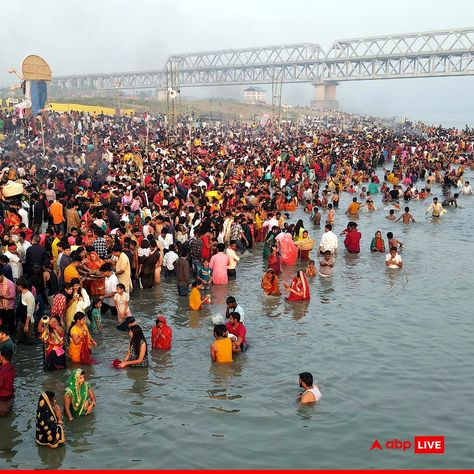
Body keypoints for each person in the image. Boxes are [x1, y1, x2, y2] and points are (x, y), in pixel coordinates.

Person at [15, 277, 36, 344]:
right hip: (22, 319)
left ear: (20, 286)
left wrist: (26, 325)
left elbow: (29, 312)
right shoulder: (22, 294)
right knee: (19, 339)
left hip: (28, 321)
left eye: (17, 286)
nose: (16, 288)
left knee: (30, 341)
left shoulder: (29, 296)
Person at [0, 268, 16, 338]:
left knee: (10, 325)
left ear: (2, 275)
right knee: (2, 324)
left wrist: (2, 296)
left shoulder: (10, 283)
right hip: (0, 307)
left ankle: (11, 338)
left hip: (8, 308)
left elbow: (13, 297)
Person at [0, 347, 15, 416]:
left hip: (3, 401)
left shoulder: (2, 371)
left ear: (1, 357)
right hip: (10, 398)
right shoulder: (11, 367)